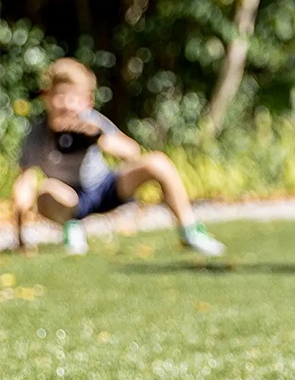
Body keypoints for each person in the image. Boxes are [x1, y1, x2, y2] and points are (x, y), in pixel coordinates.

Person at [9, 58, 225, 256]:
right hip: (69, 200)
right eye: (59, 96)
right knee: (45, 190)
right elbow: (24, 182)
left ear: (87, 101)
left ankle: (190, 231)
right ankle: (71, 227)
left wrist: (98, 139)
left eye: (73, 97)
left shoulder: (91, 122)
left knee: (158, 162)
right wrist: (21, 238)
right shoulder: (38, 133)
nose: (66, 104)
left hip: (104, 187)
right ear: (47, 98)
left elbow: (132, 152)